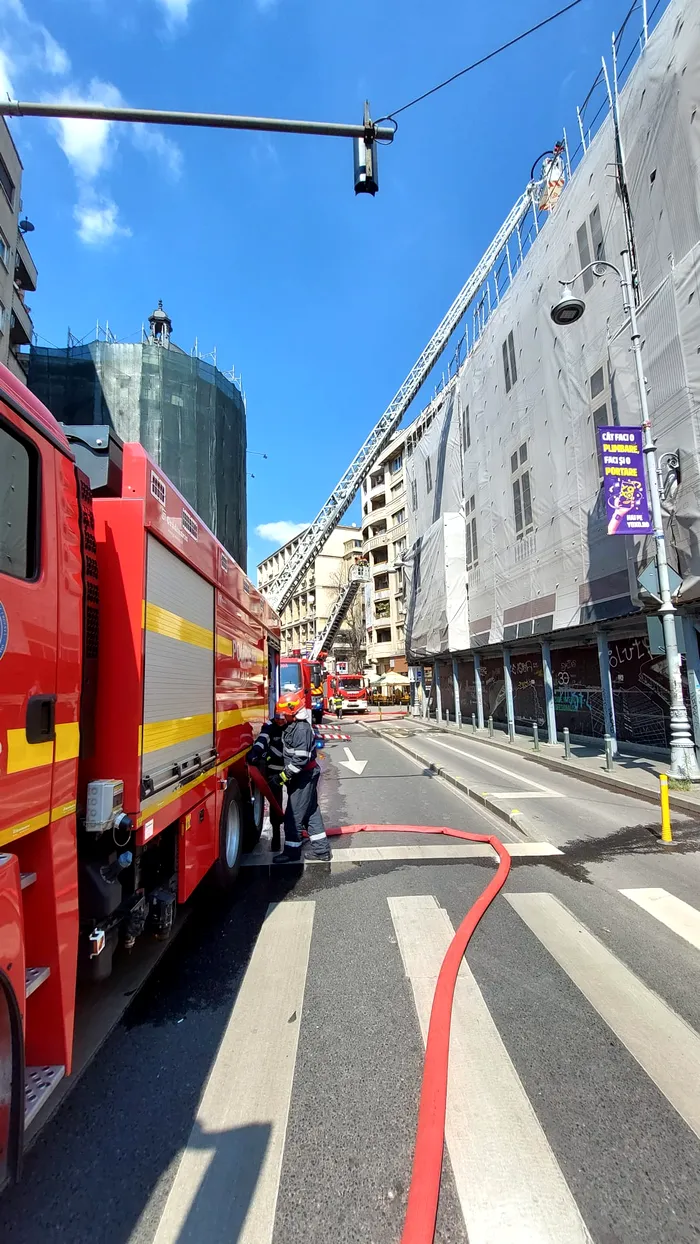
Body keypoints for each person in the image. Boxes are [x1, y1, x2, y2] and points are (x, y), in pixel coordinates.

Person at [273, 695, 331, 863]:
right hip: (303, 776)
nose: (282, 717)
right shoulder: (293, 726)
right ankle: (321, 851)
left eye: (284, 714)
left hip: (304, 777)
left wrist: (282, 776)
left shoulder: (301, 730)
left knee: (293, 816)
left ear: (293, 712)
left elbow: (300, 760)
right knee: (311, 813)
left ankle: (291, 852)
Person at [247, 716, 285, 851]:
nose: (281, 721)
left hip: (291, 771)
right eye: (278, 718)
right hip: (275, 772)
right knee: (275, 804)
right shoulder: (270, 726)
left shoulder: (294, 726)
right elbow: (262, 740)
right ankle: (276, 836)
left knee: (296, 804)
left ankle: (294, 835)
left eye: (283, 718)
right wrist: (255, 752)